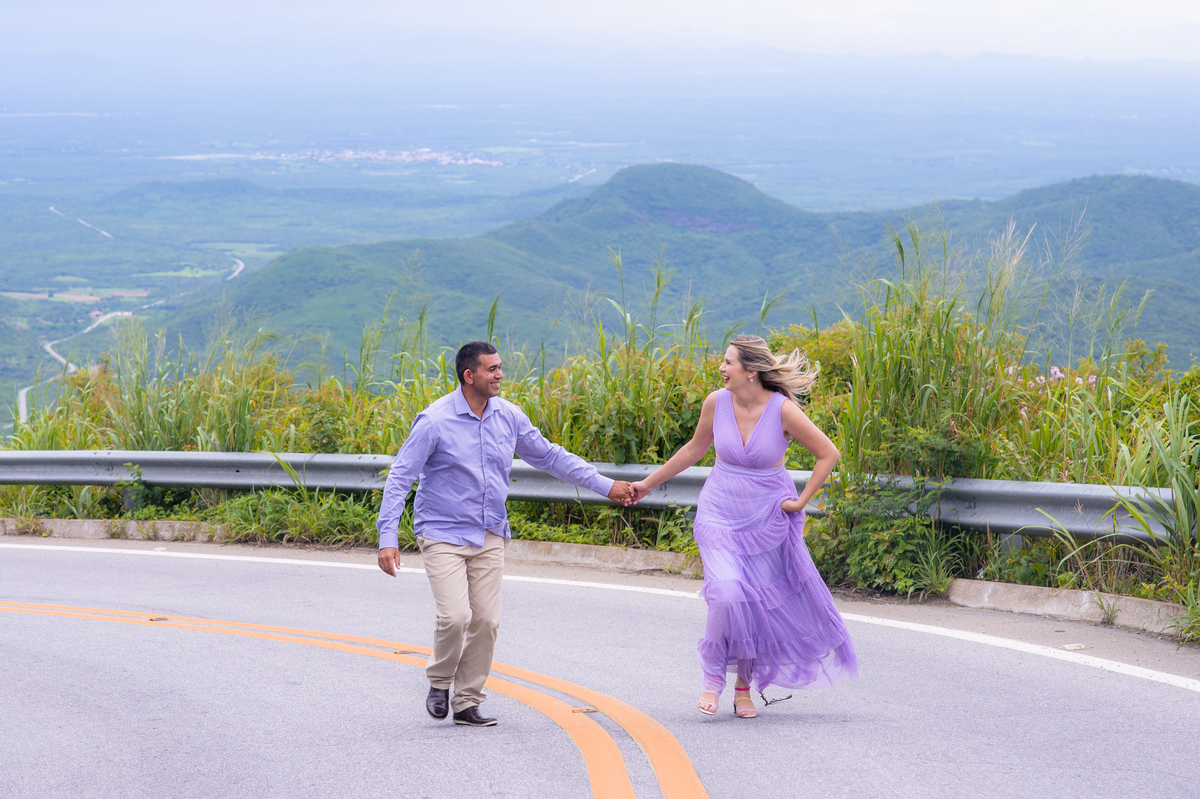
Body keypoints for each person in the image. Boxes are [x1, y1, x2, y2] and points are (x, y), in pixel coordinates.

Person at [377, 341, 634, 727]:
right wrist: (387, 537)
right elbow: (401, 476)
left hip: (490, 531)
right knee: (455, 617)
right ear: (470, 376)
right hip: (442, 531)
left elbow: (550, 456)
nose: (500, 375)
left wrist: (604, 485)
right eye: (491, 369)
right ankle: (440, 681)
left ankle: (466, 701)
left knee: (486, 622)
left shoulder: (508, 416)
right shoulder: (434, 420)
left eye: (500, 367)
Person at [630, 334, 858, 718]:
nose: (722, 369)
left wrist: (801, 502)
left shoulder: (782, 410)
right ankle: (712, 681)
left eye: (728, 362)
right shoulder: (715, 402)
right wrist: (647, 484)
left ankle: (743, 689)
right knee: (727, 593)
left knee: (753, 602)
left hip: (767, 519)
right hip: (719, 512)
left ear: (751, 371)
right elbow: (693, 449)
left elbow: (828, 453)